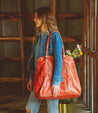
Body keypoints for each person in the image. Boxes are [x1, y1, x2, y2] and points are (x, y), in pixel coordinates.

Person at [26, 7, 63, 113]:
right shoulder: (37, 37)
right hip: (38, 79)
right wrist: (31, 78)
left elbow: (58, 60)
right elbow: (34, 61)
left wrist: (56, 82)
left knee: (52, 111)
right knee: (30, 109)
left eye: (36, 17)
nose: (34, 20)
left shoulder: (55, 36)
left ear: (44, 18)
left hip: (51, 80)